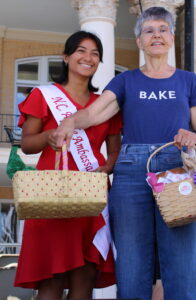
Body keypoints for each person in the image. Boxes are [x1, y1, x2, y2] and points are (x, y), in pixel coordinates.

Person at [52, 7, 196, 300]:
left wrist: (194, 135)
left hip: (177, 168)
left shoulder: (189, 81)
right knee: (132, 262)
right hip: (130, 170)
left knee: (181, 262)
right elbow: (92, 114)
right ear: (139, 40)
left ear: (172, 38)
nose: (156, 35)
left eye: (163, 29)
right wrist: (69, 123)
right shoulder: (126, 81)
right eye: (148, 30)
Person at [14, 31, 122, 300]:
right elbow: (27, 144)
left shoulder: (105, 105)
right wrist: (47, 137)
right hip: (50, 196)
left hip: (90, 197)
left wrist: (107, 168)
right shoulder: (44, 95)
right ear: (66, 57)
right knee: (50, 282)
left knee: (83, 278)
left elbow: (114, 152)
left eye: (95, 54)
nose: (88, 58)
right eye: (81, 51)